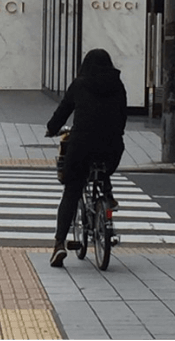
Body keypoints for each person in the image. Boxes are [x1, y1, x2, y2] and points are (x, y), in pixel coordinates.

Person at [44, 49, 127, 268]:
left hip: (82, 146)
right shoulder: (117, 85)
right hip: (112, 148)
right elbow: (122, 116)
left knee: (72, 190)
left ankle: (59, 244)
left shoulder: (79, 85)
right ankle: (107, 195)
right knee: (103, 169)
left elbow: (63, 112)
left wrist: (52, 129)